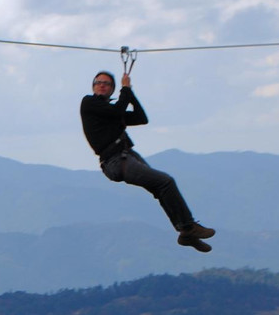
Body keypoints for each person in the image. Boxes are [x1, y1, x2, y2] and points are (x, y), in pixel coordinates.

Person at [80, 71, 215, 252]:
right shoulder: (89, 103)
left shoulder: (110, 112)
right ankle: (188, 227)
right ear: (93, 86)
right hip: (116, 161)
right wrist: (125, 89)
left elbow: (141, 118)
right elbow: (117, 110)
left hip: (125, 156)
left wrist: (129, 92)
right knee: (165, 182)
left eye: (107, 83)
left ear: (112, 90)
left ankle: (186, 233)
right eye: (98, 82)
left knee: (161, 187)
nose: (102, 85)